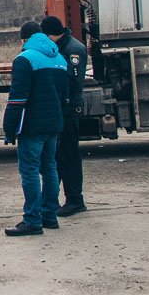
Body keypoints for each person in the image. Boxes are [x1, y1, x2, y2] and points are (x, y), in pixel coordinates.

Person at [2, 20, 69, 236]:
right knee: (49, 167)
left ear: (24, 39)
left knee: (29, 170)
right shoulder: (60, 59)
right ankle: (50, 215)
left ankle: (32, 219)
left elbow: (17, 99)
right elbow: (64, 96)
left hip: (32, 126)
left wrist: (9, 127)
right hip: (54, 124)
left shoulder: (24, 59)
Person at [41, 15, 89, 217]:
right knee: (60, 156)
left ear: (50, 33)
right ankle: (59, 200)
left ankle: (75, 200)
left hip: (69, 110)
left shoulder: (73, 50)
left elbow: (72, 82)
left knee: (68, 156)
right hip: (64, 109)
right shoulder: (64, 45)